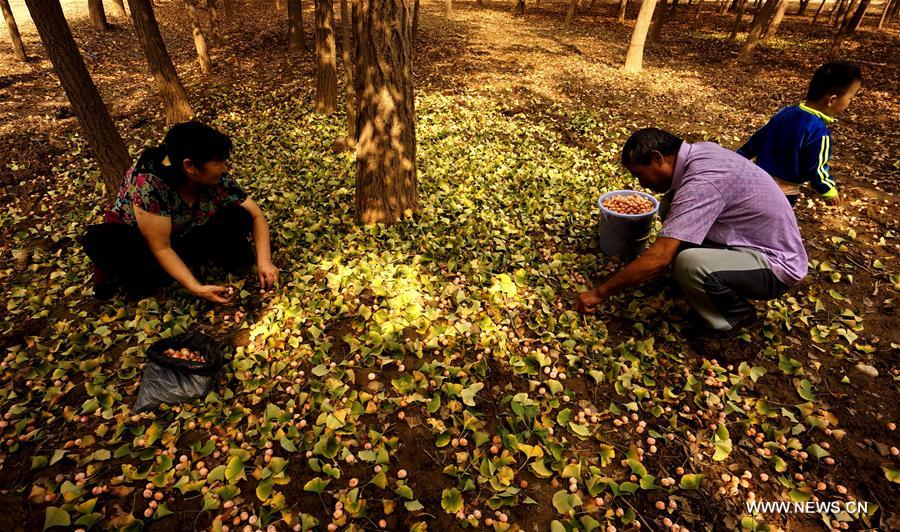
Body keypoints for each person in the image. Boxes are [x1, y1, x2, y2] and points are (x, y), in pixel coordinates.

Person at [577, 128, 808, 339]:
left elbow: (659, 258)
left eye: (640, 174)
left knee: (689, 263)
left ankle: (735, 317)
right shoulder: (700, 153)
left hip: (775, 266)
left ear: (658, 158)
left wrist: (600, 293)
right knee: (672, 204)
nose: (641, 183)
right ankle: (703, 282)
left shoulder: (702, 182)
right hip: (746, 239)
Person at [83, 121, 279, 304]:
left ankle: (206, 262)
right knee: (104, 241)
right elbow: (161, 247)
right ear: (190, 166)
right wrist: (197, 288)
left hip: (187, 233)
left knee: (238, 214)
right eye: (218, 162)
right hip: (147, 246)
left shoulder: (215, 179)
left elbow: (255, 214)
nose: (224, 168)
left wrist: (265, 261)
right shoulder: (150, 184)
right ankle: (151, 280)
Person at [737, 61, 862, 207]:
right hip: (783, 194)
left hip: (757, 180)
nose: (849, 103)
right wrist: (828, 190)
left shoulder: (785, 113)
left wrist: (739, 156)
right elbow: (817, 167)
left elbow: (758, 139)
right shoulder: (819, 132)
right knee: (771, 224)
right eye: (850, 98)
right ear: (832, 100)